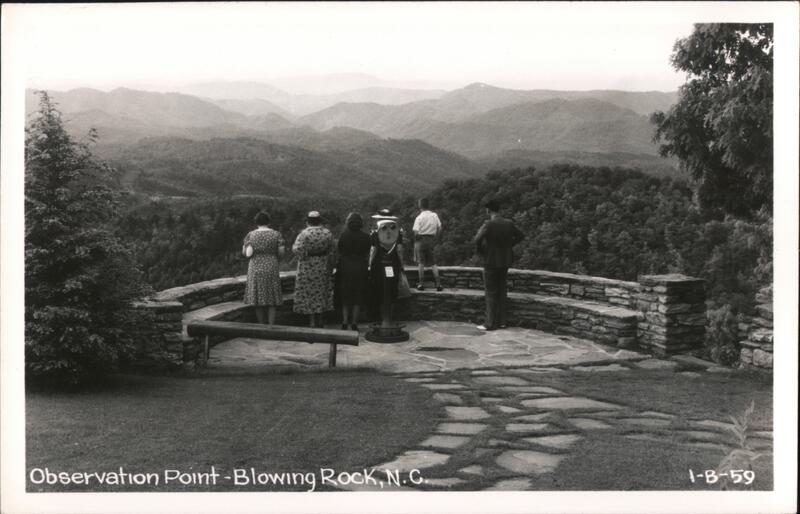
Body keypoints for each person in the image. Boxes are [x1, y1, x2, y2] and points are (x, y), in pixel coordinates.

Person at [473, 199, 524, 331]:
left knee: (490, 292)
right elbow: (520, 236)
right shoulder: (509, 223)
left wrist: (481, 250)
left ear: (488, 210)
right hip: (505, 261)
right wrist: (510, 246)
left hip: (490, 261)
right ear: (499, 209)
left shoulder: (488, 224)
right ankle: (502, 322)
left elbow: (477, 239)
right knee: (502, 291)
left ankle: (490, 323)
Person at [292, 211, 335, 328]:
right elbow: (332, 250)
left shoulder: (304, 234)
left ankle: (311, 322)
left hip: (307, 267)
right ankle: (320, 319)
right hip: (322, 266)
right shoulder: (327, 233)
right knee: (321, 292)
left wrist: (307, 253)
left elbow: (297, 250)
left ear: (308, 221)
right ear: (320, 220)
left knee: (309, 293)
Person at [242, 211, 285, 325]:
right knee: (272, 298)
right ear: (269, 222)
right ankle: (271, 325)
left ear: (256, 222)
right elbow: (281, 252)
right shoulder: (276, 234)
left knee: (257, 298)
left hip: (255, 267)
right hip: (271, 265)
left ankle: (261, 325)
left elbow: (245, 253)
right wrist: (275, 259)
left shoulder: (250, 235)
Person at [368, 209, 404, 327]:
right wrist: (402, 264)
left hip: (378, 265)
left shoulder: (375, 232)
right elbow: (399, 249)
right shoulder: (398, 231)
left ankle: (382, 318)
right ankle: (390, 318)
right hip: (393, 264)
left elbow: (373, 250)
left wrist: (370, 263)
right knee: (392, 290)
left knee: (379, 290)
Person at [336, 212, 371, 331]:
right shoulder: (366, 237)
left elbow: (339, 250)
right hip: (360, 266)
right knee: (358, 294)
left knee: (345, 294)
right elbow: (367, 252)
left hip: (346, 266)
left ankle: (345, 321)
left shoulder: (343, 236)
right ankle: (354, 322)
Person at [412, 198, 443, 292]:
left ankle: (421, 284)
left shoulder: (419, 217)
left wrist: (417, 240)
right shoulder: (434, 215)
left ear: (420, 205)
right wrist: (435, 237)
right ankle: (438, 285)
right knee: (433, 263)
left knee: (421, 263)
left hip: (421, 240)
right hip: (431, 240)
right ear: (428, 205)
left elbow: (416, 232)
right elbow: (440, 228)